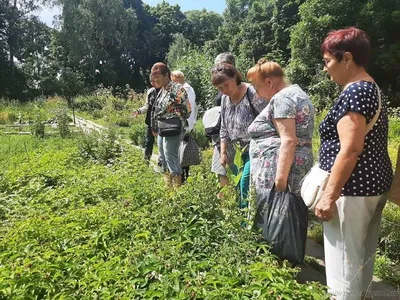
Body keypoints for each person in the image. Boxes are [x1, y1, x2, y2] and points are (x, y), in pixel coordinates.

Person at [316, 27, 393, 299]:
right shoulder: (371, 87)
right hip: (372, 186)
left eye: (328, 62)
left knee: (343, 266)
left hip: (351, 192)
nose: (326, 69)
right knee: (361, 258)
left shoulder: (355, 92)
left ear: (346, 58)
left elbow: (350, 150)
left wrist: (328, 196)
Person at [246, 59, 314, 238]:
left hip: (282, 172)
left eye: (256, 87)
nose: (258, 95)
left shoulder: (282, 98)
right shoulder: (297, 93)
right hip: (295, 166)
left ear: (269, 82)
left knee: (277, 220)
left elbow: (289, 141)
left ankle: (278, 257)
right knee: (288, 219)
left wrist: (280, 181)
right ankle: (286, 255)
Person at [211, 63, 267, 207]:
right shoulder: (224, 99)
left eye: (226, 85)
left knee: (245, 184)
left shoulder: (253, 93)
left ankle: (246, 226)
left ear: (235, 76)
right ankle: (244, 219)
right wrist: (223, 152)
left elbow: (270, 118)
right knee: (237, 185)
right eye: (220, 88)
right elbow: (224, 127)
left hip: (256, 148)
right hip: (236, 151)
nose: (224, 90)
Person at [150, 62, 191, 187]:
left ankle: (177, 193)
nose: (156, 79)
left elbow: (187, 109)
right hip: (162, 128)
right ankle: (168, 189)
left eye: (158, 77)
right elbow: (156, 109)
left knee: (171, 157)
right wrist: (154, 126)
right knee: (162, 157)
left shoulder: (177, 89)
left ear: (166, 75)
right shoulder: (162, 90)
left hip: (173, 128)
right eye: (154, 77)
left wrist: (175, 115)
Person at [210, 52, 237, 198]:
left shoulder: (237, 87)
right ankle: (225, 211)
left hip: (236, 140)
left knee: (233, 175)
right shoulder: (224, 91)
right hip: (222, 137)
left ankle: (231, 210)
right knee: (221, 173)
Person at [171, 70, 198, 183]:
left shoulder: (183, 90)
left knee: (179, 151)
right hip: (188, 124)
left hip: (182, 124)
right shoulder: (190, 89)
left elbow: (181, 107)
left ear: (176, 79)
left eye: (172, 80)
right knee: (183, 150)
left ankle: (180, 179)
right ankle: (183, 177)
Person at [132, 74, 161, 161]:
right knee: (148, 142)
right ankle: (146, 162)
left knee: (161, 145)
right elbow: (147, 106)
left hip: (161, 123)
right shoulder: (150, 92)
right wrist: (138, 111)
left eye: (154, 81)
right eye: (151, 81)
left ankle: (162, 165)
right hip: (150, 122)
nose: (153, 83)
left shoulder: (165, 91)